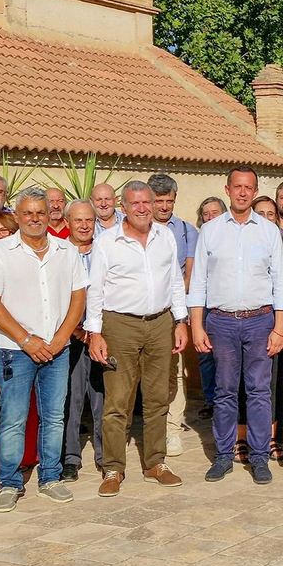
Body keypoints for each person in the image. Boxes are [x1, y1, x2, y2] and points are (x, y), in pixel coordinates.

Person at [0, 187, 87, 512]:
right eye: (28, 213)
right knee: (13, 419)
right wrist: (27, 340)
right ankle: (10, 483)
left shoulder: (67, 251)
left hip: (57, 349)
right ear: (17, 216)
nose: (35, 218)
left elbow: (78, 298)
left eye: (41, 212)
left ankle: (50, 478)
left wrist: (59, 338)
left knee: (54, 417)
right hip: (16, 350)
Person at [88, 181, 189, 494]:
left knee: (158, 398)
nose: (143, 208)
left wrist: (181, 320)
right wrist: (95, 333)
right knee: (117, 402)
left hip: (160, 324)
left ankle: (155, 462)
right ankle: (113, 468)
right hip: (120, 325)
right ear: (123, 207)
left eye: (147, 202)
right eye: (136, 204)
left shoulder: (166, 236)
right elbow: (95, 289)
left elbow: (175, 281)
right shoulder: (107, 242)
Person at [191, 168, 283, 485]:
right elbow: (199, 281)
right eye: (238, 187)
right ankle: (223, 455)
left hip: (260, 321)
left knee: (260, 392)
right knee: (224, 392)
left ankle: (260, 458)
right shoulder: (212, 230)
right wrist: (196, 325)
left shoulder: (268, 231)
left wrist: (279, 328)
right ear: (228, 189)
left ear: (256, 190)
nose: (243, 193)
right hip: (221, 322)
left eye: (249, 187)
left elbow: (280, 284)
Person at [148, 173, 198, 458]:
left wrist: (180, 312)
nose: (164, 207)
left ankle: (173, 429)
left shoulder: (187, 231)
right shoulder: (134, 228)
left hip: (172, 311)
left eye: (169, 201)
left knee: (174, 373)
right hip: (142, 311)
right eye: (159, 201)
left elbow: (189, 274)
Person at [61, 200, 104, 482]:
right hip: (72, 336)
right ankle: (70, 458)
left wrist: (97, 329)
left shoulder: (107, 250)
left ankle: (105, 456)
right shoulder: (58, 253)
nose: (85, 225)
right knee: (72, 399)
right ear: (68, 223)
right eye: (78, 221)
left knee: (103, 398)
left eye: (89, 220)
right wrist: (77, 329)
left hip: (102, 335)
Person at [193, 196, 226, 420]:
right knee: (206, 355)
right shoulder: (200, 239)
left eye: (215, 212)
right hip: (205, 305)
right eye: (206, 214)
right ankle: (210, 400)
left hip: (226, 307)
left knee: (225, 356)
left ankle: (223, 400)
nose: (211, 217)